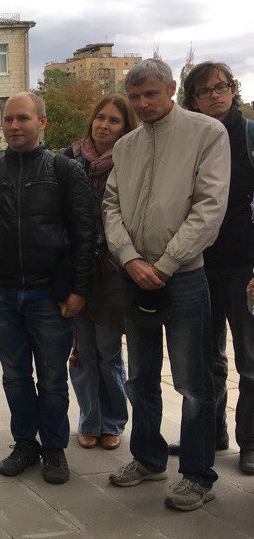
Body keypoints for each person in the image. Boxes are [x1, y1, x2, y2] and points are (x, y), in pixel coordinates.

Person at [104, 58, 229, 511]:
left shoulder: (206, 133)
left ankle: (197, 475)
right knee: (140, 376)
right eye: (135, 97)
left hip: (185, 277)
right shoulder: (126, 145)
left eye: (150, 94)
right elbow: (111, 205)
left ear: (172, 88)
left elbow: (209, 206)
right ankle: (148, 457)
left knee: (193, 382)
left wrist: (168, 262)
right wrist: (129, 258)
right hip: (134, 275)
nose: (142, 104)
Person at [0, 92, 96, 485]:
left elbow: (84, 235)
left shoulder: (65, 172)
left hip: (49, 295)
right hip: (2, 293)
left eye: (22, 118)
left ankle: (53, 447)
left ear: (42, 122)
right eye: (8, 119)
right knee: (15, 375)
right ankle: (25, 443)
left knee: (52, 378)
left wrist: (79, 289)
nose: (14, 126)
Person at [168, 62, 254, 472]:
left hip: (246, 266)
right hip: (199, 265)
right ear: (193, 100)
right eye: (205, 91)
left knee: (250, 358)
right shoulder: (191, 141)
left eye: (222, 87)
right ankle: (210, 432)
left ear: (233, 90)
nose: (215, 95)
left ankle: (250, 442)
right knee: (205, 357)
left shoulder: (250, 136)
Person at [61, 96, 137, 450]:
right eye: (100, 118)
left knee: (108, 351)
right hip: (77, 269)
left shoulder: (132, 162)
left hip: (112, 271)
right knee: (82, 352)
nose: (104, 126)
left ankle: (113, 421)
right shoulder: (69, 159)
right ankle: (89, 420)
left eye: (114, 121)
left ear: (126, 127)